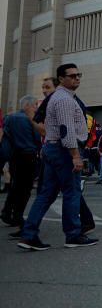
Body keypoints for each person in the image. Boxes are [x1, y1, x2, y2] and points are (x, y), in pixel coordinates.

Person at [18, 64, 97, 250]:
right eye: (72, 76)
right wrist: (75, 156)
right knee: (72, 192)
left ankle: (29, 235)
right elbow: (66, 130)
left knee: (46, 193)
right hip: (63, 150)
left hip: (53, 149)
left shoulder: (62, 97)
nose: (77, 78)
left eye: (79, 75)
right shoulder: (63, 100)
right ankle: (73, 234)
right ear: (61, 79)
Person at [1, 96, 41, 233]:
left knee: (16, 185)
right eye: (35, 104)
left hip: (14, 157)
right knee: (25, 190)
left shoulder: (9, 118)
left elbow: (6, 136)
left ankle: (7, 211)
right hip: (28, 156)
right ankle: (18, 217)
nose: (36, 107)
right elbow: (37, 139)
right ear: (27, 105)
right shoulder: (31, 120)